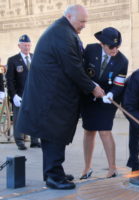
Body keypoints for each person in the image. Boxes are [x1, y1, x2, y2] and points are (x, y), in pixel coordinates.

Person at [16, 5, 104, 190]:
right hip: (53, 98)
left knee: (55, 135)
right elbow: (72, 67)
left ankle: (54, 171)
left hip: (54, 96)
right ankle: (53, 176)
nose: (84, 25)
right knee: (54, 135)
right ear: (69, 16)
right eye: (82, 21)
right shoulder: (62, 34)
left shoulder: (63, 30)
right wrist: (92, 87)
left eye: (85, 21)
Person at [80, 27, 128, 179]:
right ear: (102, 44)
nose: (115, 50)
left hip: (108, 99)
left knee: (104, 130)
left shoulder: (122, 61)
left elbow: (119, 83)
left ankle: (112, 168)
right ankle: (87, 168)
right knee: (89, 131)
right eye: (111, 47)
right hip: (89, 96)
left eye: (117, 46)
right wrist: (92, 87)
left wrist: (112, 94)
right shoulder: (90, 50)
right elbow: (80, 71)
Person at [6, 35, 41, 150]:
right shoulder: (13, 60)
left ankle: (34, 140)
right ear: (19, 46)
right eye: (24, 45)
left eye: (28, 45)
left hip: (34, 94)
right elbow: (10, 80)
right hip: (19, 95)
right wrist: (14, 95)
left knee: (34, 117)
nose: (27, 47)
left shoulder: (35, 57)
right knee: (19, 118)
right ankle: (20, 141)